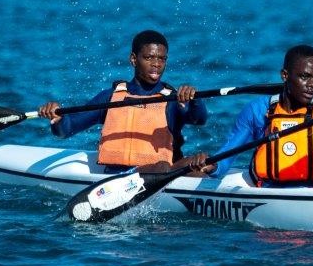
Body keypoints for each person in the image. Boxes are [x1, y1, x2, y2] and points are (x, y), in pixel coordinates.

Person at [38, 30, 208, 173]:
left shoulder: (171, 99)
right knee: (163, 166)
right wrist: (58, 118)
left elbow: (199, 119)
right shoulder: (110, 97)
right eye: (149, 58)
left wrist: (195, 100)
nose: (156, 64)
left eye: (161, 59)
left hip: (161, 177)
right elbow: (66, 130)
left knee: (203, 161)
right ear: (133, 59)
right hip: (117, 181)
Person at [204, 44, 313, 188]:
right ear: (285, 75)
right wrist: (214, 166)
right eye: (304, 77)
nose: (312, 85)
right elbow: (230, 150)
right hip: (271, 190)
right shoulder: (258, 110)